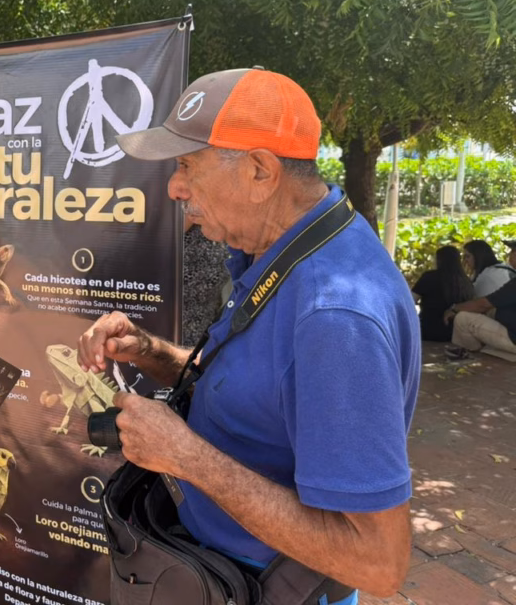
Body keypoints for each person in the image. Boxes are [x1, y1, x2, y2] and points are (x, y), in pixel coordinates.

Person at [78, 68, 420, 601]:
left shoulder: (336, 315)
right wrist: (150, 352)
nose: (174, 186)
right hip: (219, 573)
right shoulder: (283, 249)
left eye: (188, 165)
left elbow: (378, 564)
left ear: (261, 171)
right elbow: (262, 386)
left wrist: (185, 456)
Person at [444, 239, 516, 360]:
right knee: (490, 311)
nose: (510, 255)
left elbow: (482, 305)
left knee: (463, 318)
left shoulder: (489, 274)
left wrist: (454, 308)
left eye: (513, 251)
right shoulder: (503, 270)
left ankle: (469, 355)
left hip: (513, 337)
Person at [411, 246, 475, 342]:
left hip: (428, 330)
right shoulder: (466, 281)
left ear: (439, 260)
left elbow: (411, 300)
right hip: (455, 333)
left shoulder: (429, 277)